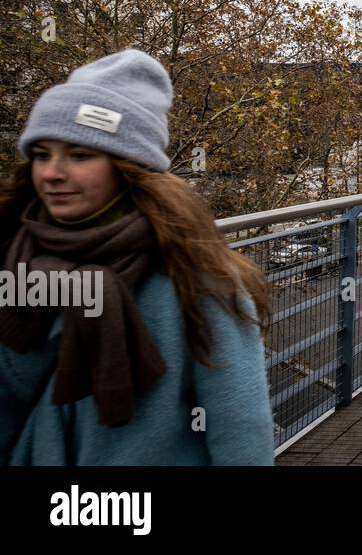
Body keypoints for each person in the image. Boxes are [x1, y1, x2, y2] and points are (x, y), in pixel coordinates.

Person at [0, 49, 274, 465]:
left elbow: (239, 423)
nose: (52, 173)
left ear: (127, 167)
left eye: (79, 155)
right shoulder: (18, 259)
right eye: (42, 154)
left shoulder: (195, 275)